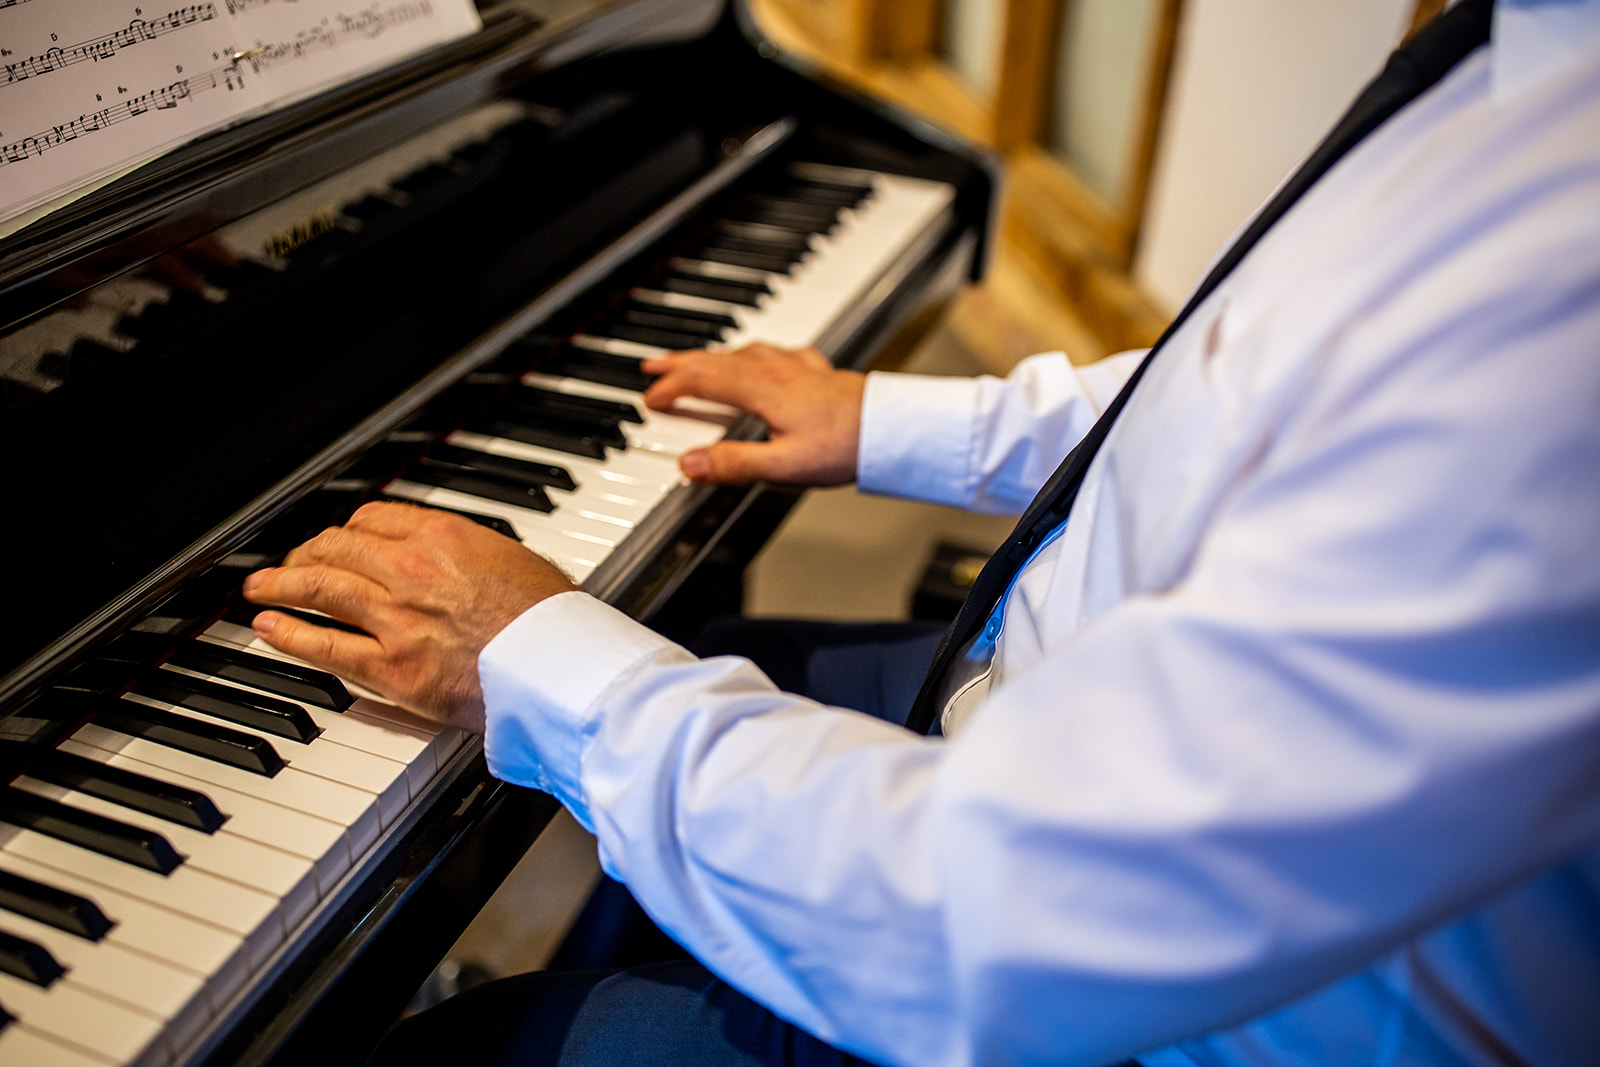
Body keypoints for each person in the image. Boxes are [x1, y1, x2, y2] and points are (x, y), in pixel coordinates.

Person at [241, 1, 1600, 1063]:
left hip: (1133, 1014)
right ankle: (700, 937)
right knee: (718, 640)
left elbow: (983, 928)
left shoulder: (1561, 296)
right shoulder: (1529, 83)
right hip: (1048, 727)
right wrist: (898, 424)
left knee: (455, 1052)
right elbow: (1270, 383)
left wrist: (522, 652)